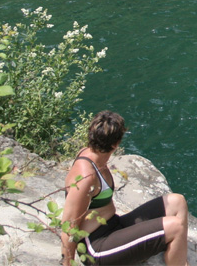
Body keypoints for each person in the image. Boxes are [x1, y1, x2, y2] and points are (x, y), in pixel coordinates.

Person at [60, 111, 189, 266]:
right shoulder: (86, 178)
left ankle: (177, 257)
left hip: (114, 226)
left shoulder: (93, 155)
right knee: (176, 226)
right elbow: (69, 225)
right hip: (96, 248)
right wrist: (67, 263)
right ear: (116, 144)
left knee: (177, 201)